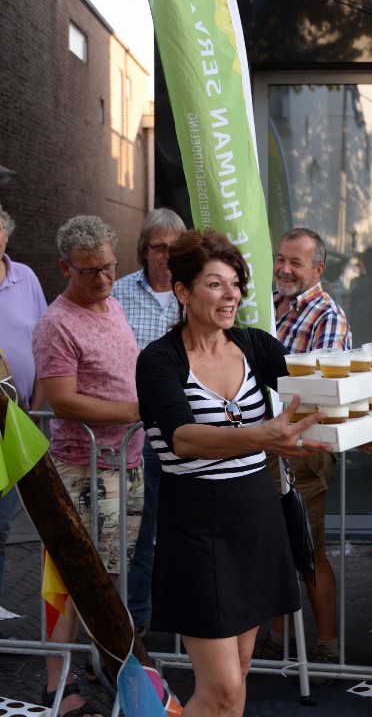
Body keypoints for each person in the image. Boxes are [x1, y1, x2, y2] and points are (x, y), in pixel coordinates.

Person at [135, 228, 333, 717]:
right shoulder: (158, 360)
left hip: (257, 521)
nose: (232, 296)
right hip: (197, 527)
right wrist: (265, 436)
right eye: (216, 285)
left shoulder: (254, 346)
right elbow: (183, 437)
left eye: (236, 284)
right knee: (222, 689)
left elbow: (317, 398)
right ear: (182, 291)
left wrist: (370, 427)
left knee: (238, 678)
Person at [33, 215, 144, 717]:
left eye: (109, 268)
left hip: (127, 463)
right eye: (90, 271)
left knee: (109, 578)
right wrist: (139, 412)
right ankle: (57, 686)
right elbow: (64, 402)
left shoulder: (112, 305)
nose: (102, 279)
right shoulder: (57, 323)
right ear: (65, 268)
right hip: (84, 470)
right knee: (75, 582)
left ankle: (111, 668)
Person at [257, 227, 350, 668]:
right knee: (274, 545)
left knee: (308, 547)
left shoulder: (326, 316)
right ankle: (277, 637)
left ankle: (328, 647)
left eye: (296, 262)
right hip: (265, 441)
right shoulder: (270, 307)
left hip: (304, 446)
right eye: (280, 259)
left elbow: (316, 392)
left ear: (319, 268)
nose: (284, 269)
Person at [112, 207, 186, 635]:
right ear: (144, 251)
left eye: (175, 249)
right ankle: (134, 624)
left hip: (186, 435)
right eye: (159, 248)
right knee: (139, 534)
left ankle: (185, 622)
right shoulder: (118, 295)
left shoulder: (194, 295)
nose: (167, 256)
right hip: (135, 438)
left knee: (186, 531)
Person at [0, 205, 47, 614]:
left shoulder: (26, 278)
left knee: (2, 522)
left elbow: (43, 344)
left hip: (19, 422)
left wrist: (35, 407)